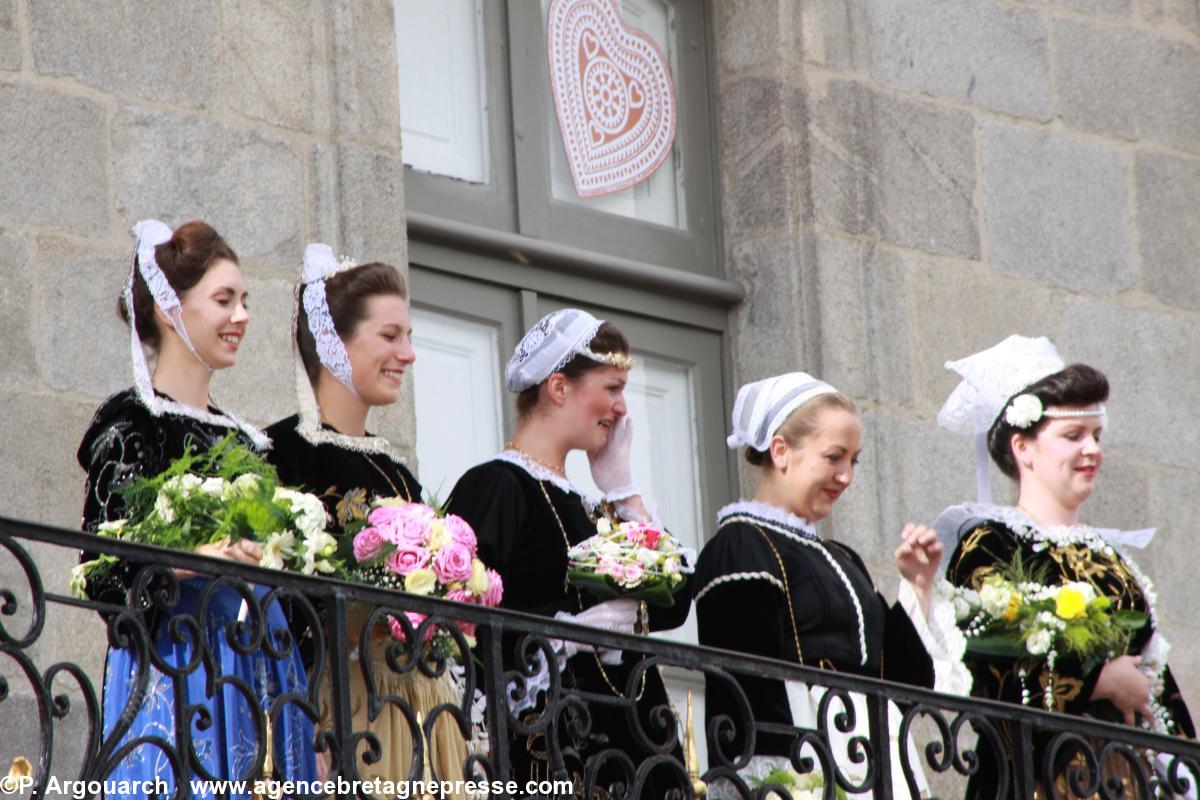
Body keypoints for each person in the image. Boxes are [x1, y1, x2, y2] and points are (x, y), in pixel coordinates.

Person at [77, 219, 315, 797]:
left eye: (245, 301)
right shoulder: (133, 422)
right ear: (168, 309)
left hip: (262, 665)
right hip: (181, 663)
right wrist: (189, 558)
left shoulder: (250, 443)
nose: (242, 316)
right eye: (224, 300)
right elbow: (101, 570)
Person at [935, 335, 1195, 798]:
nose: (1092, 449)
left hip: (1127, 775)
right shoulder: (990, 544)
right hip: (1041, 775)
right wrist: (1096, 680)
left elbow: (1157, 683)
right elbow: (988, 662)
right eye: (1073, 436)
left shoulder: (1112, 559)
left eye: (1096, 436)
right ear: (1024, 447)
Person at [447, 308, 690, 798]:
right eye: (611, 388)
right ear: (559, 388)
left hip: (624, 747)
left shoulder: (592, 505)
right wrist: (575, 631)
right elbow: (464, 623)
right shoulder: (496, 485)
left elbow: (674, 604)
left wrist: (624, 490)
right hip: (548, 747)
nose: (621, 408)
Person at [265, 244, 479, 793]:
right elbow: (273, 604)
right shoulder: (281, 453)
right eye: (390, 336)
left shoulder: (398, 472)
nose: (407, 354)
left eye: (407, 336)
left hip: (421, 704)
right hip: (343, 700)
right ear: (334, 342)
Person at [694, 372, 969, 799]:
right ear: (781, 451)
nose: (846, 476)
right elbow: (751, 697)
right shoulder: (742, 546)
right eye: (834, 457)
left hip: (877, 764)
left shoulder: (843, 558)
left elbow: (906, 679)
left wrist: (917, 584)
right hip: (807, 769)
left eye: (854, 461)